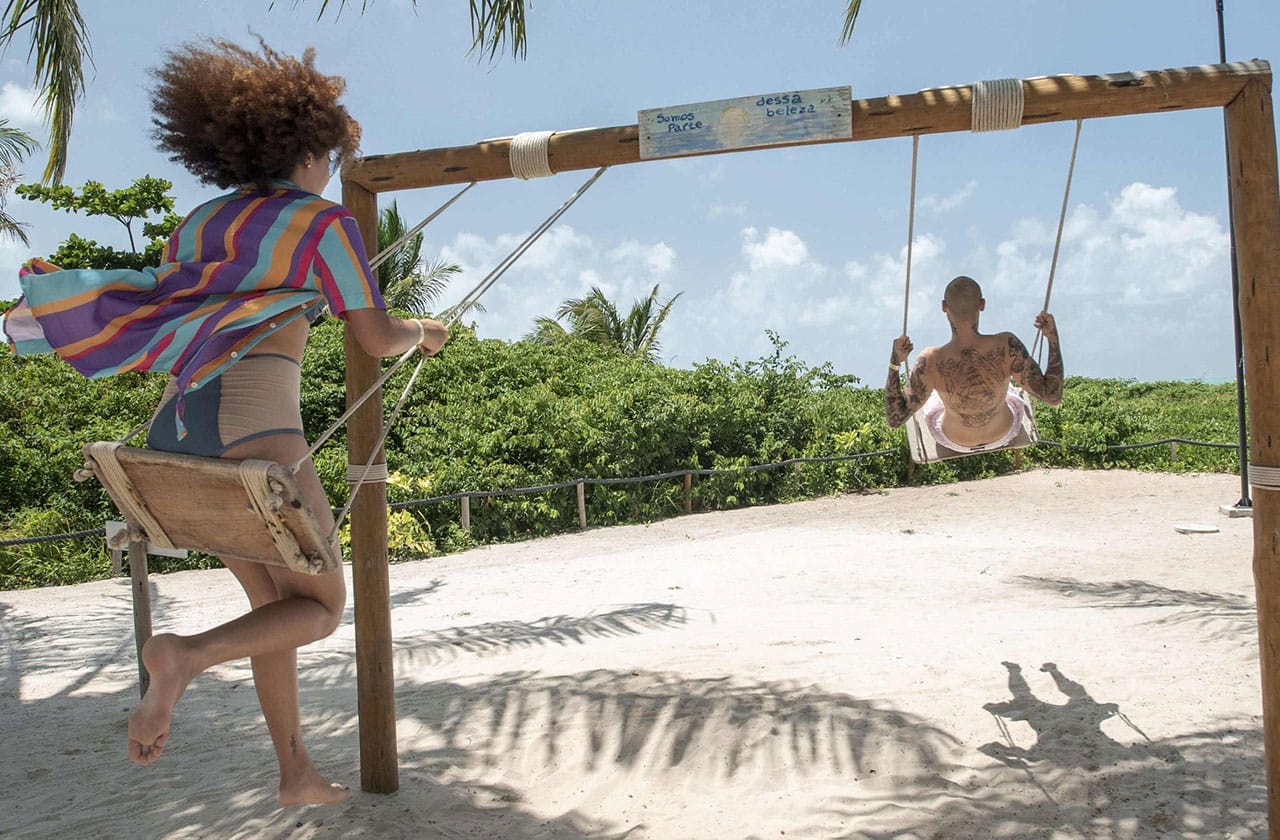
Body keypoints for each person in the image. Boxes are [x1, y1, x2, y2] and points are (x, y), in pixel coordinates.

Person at [2, 39, 447, 806]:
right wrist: (423, 334)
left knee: (272, 612)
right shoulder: (324, 223)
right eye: (331, 156)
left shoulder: (202, 221)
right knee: (318, 609)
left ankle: (295, 773)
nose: (332, 170)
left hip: (176, 429)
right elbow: (373, 337)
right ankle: (180, 656)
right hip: (254, 422)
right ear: (308, 147)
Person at [884, 275, 1063, 454]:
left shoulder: (930, 360)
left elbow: (894, 420)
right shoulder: (1006, 345)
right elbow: (1053, 397)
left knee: (933, 396)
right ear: (982, 304)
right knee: (1010, 389)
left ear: (944, 307)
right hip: (1003, 432)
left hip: (953, 440)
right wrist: (1053, 338)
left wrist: (895, 362)